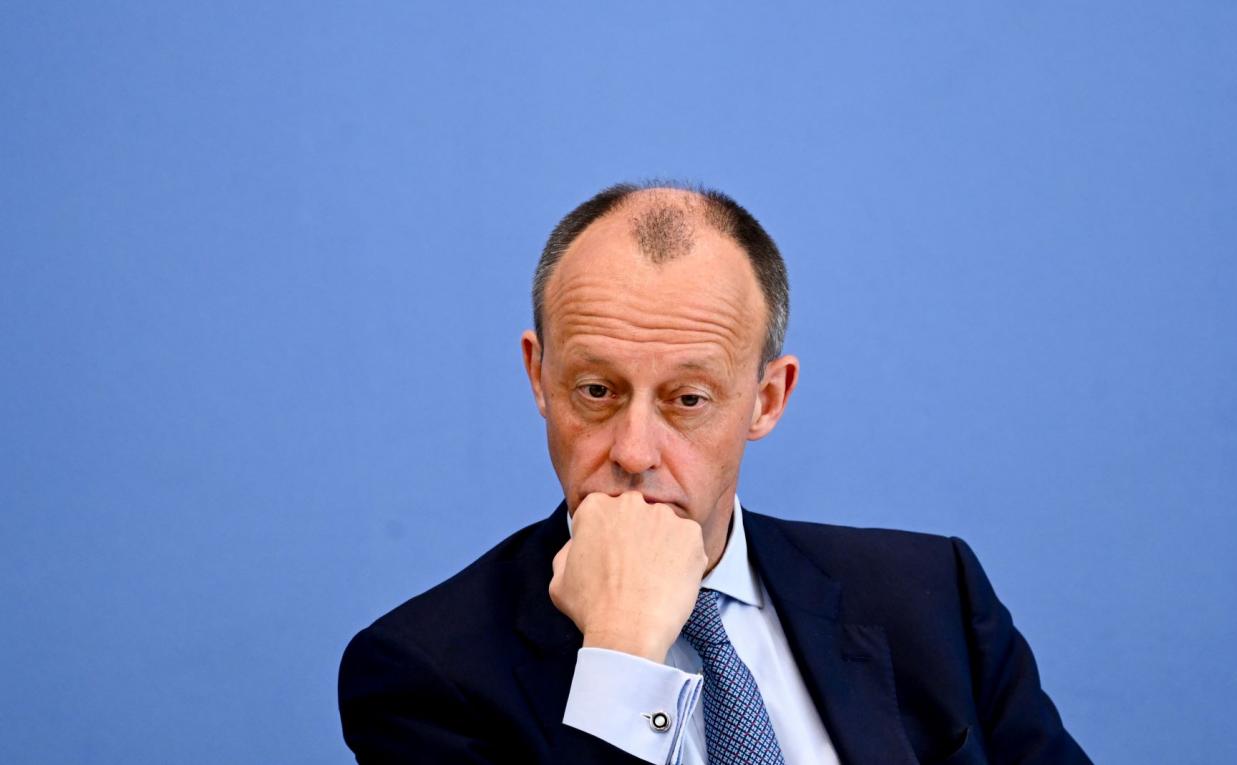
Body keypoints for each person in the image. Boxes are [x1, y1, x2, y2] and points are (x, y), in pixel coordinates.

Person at [338, 182, 1091, 765]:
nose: (634, 451)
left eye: (688, 399)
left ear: (767, 399)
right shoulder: (421, 674)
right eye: (596, 391)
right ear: (539, 376)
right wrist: (621, 654)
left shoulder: (934, 599)